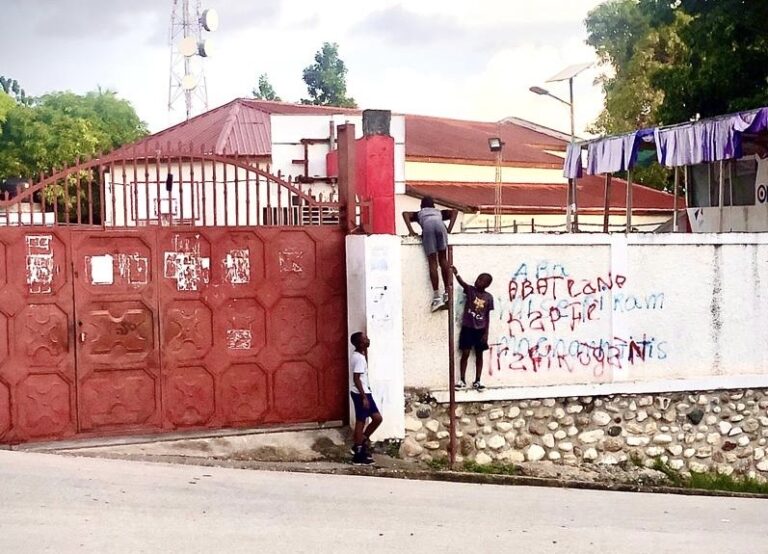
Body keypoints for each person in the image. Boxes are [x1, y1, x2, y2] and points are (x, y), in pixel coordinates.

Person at [402, 196, 458, 311]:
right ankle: (447, 292)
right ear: (433, 205)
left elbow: (405, 214)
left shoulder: (420, 213)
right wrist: (449, 230)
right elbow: (455, 212)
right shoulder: (439, 212)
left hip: (428, 227)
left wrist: (411, 231)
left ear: (421, 205)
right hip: (440, 226)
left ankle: (437, 297)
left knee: (433, 262)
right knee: (443, 259)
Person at [452, 267, 494, 391]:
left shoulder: (488, 297)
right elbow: (462, 283)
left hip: (480, 330)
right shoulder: (470, 290)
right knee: (465, 353)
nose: (478, 281)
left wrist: (486, 333)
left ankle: (478, 380)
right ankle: (462, 380)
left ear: (487, 284)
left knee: (479, 355)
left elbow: (487, 316)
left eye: (481, 280)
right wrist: (456, 274)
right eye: (478, 279)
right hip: (468, 328)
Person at [349, 331, 383, 465]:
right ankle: (358, 452)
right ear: (359, 343)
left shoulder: (360, 355)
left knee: (376, 418)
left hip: (364, 392)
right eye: (365, 339)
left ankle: (361, 441)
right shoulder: (358, 358)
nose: (368, 340)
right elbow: (356, 379)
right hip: (360, 393)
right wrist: (363, 397)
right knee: (361, 421)